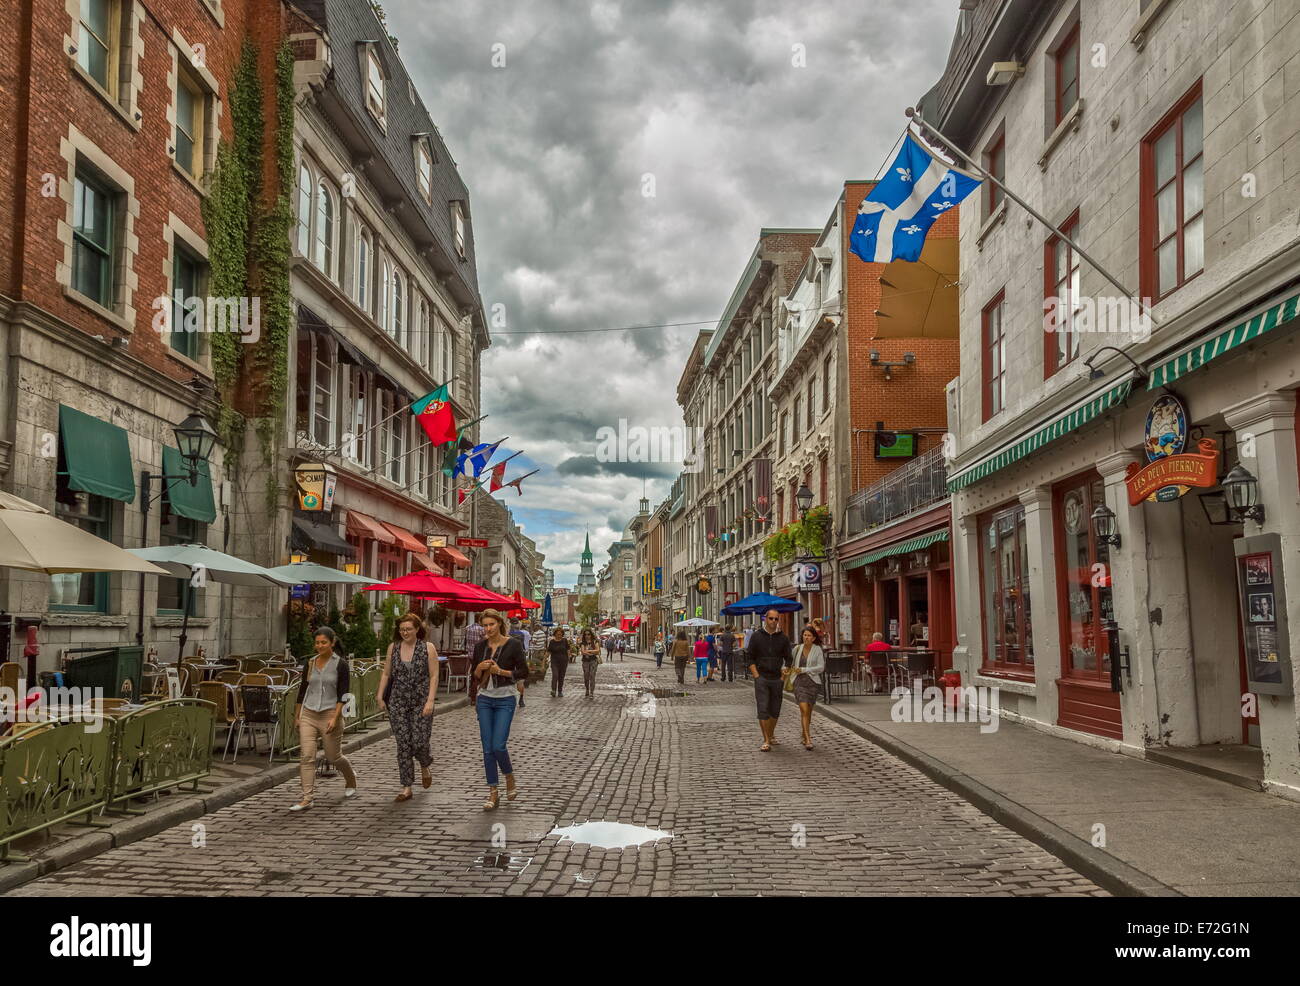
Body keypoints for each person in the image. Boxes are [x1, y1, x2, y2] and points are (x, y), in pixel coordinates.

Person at [290, 627, 358, 811]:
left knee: (333, 756)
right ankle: (307, 798)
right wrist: (297, 716)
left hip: (330, 713)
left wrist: (335, 718)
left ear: (332, 643)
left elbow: (343, 694)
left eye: (324, 642)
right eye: (317, 642)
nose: (320, 646)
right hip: (309, 713)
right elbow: (302, 690)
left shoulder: (340, 664)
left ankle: (351, 778)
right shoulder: (310, 663)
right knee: (306, 756)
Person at [376, 612, 437, 803]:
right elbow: (386, 673)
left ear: (417, 629)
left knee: (419, 741)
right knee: (403, 744)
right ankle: (406, 786)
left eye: (408, 629)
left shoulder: (427, 648)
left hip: (421, 700)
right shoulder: (393, 648)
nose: (405, 632)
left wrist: (430, 701)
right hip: (398, 701)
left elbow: (434, 676)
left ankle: (425, 763)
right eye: (402, 629)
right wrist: (380, 695)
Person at [472, 609, 528, 810]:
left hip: (505, 698)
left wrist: (501, 671)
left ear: (499, 623)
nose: (488, 629)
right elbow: (475, 675)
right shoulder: (480, 647)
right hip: (484, 699)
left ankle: (509, 776)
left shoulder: (513, 644)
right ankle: (493, 792)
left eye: (491, 624)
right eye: (485, 625)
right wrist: (480, 668)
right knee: (487, 748)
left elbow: (523, 671)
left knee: (498, 745)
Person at [748, 609, 792, 752]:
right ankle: (766, 739)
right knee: (763, 708)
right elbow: (750, 658)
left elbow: (789, 658)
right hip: (762, 677)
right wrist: (756, 676)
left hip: (776, 679)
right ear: (765, 619)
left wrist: (783, 676)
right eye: (771, 618)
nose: (773, 621)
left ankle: (771, 734)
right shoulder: (756, 636)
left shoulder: (783, 638)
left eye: (776, 619)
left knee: (775, 709)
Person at [789, 625, 826, 750]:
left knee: (808, 711)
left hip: (813, 683)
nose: (806, 637)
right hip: (799, 682)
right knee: (804, 709)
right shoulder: (797, 649)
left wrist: (805, 669)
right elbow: (789, 662)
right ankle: (808, 739)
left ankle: (804, 734)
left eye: (809, 635)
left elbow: (821, 667)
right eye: (805, 635)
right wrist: (785, 669)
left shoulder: (817, 650)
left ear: (814, 638)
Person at [509, 619, 530, 708]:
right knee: (520, 681)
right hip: (520, 657)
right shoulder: (522, 634)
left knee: (509, 679)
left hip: (509, 657)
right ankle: (521, 699)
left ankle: (510, 698)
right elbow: (525, 646)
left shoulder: (508, 634)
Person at [547, 627, 571, 697]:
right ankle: (553, 690)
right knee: (555, 675)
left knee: (561, 676)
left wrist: (569, 657)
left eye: (560, 634)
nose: (559, 635)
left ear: (562, 634)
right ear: (555, 634)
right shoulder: (552, 642)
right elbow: (549, 651)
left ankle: (560, 691)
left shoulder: (564, 640)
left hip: (563, 661)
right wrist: (544, 660)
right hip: (554, 661)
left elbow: (568, 649)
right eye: (557, 634)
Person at [578, 628, 601, 698]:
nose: (587, 636)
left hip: (593, 661)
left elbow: (598, 651)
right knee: (586, 676)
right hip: (585, 661)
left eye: (588, 634)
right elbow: (582, 652)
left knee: (592, 676)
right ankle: (587, 689)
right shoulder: (583, 643)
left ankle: (591, 692)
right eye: (585, 634)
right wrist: (592, 652)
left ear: (591, 635)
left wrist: (588, 652)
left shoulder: (595, 641)